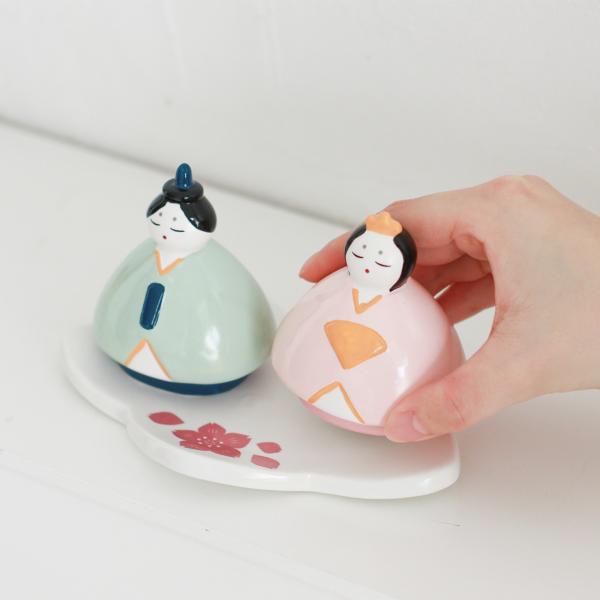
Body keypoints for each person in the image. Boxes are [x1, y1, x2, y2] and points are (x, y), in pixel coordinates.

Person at [299, 176, 600, 442]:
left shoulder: (413, 310)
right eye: (362, 254)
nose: (368, 264)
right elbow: (301, 329)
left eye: (380, 260)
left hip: (393, 402)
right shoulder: (335, 289)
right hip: (310, 382)